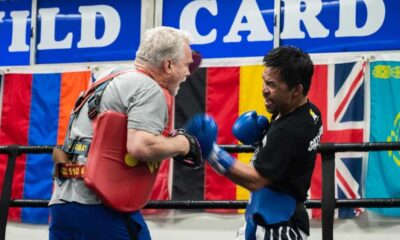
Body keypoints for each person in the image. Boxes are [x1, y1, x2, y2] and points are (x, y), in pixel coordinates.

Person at [49, 26, 202, 240]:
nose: (188, 72)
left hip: (63, 204)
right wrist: (182, 144)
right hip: (100, 204)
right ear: (168, 65)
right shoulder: (148, 88)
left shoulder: (107, 78)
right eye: (186, 64)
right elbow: (142, 146)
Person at [185, 46, 323, 240]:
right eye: (264, 81)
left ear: (296, 90)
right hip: (276, 215)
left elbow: (256, 180)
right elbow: (289, 155)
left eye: (273, 85)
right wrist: (263, 138)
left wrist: (212, 152)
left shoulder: (288, 130)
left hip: (278, 226)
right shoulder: (311, 112)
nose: (265, 90)